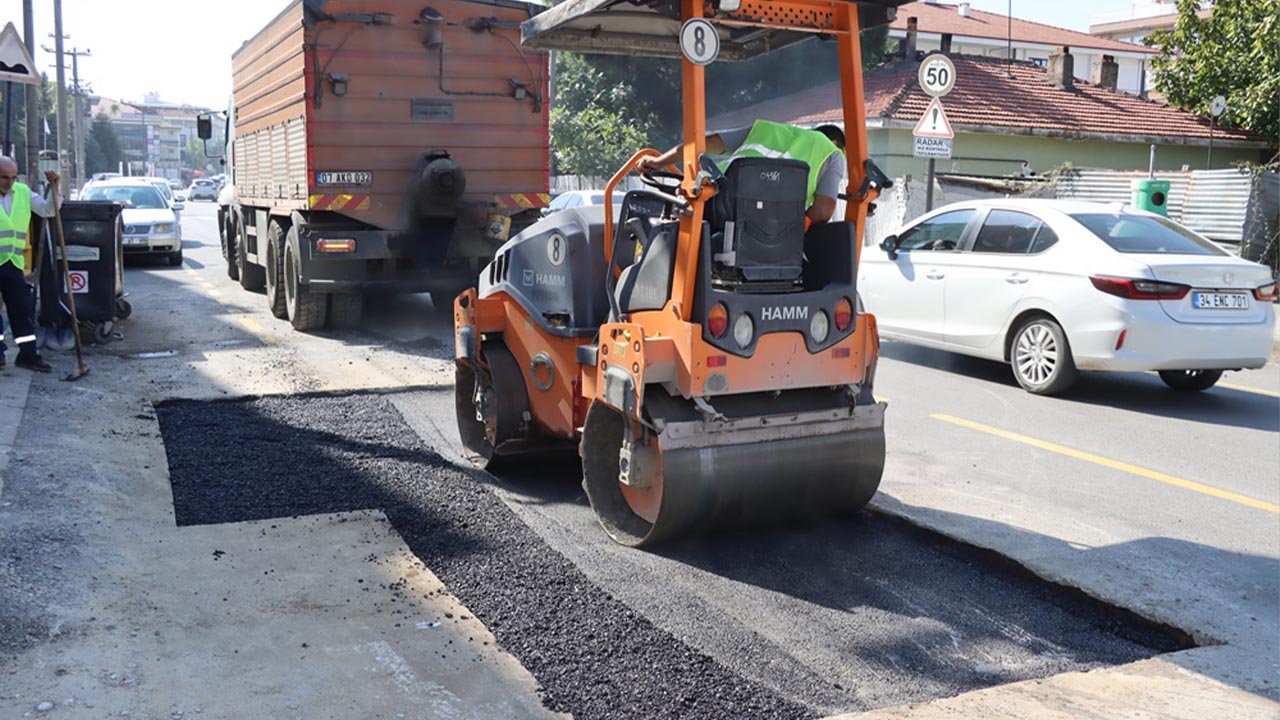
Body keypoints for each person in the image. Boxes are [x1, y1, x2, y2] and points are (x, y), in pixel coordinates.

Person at [637, 120, 847, 224]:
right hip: (773, 230)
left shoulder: (765, 129)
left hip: (716, 211)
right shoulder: (832, 153)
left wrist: (659, 162)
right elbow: (823, 211)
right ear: (836, 143)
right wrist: (797, 231)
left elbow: (699, 146)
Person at [0, 156, 59, 372]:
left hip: (12, 262)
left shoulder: (23, 193)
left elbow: (48, 210)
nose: (9, 182)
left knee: (21, 309)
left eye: (13, 177)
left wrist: (55, 189)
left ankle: (27, 354)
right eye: (4, 177)